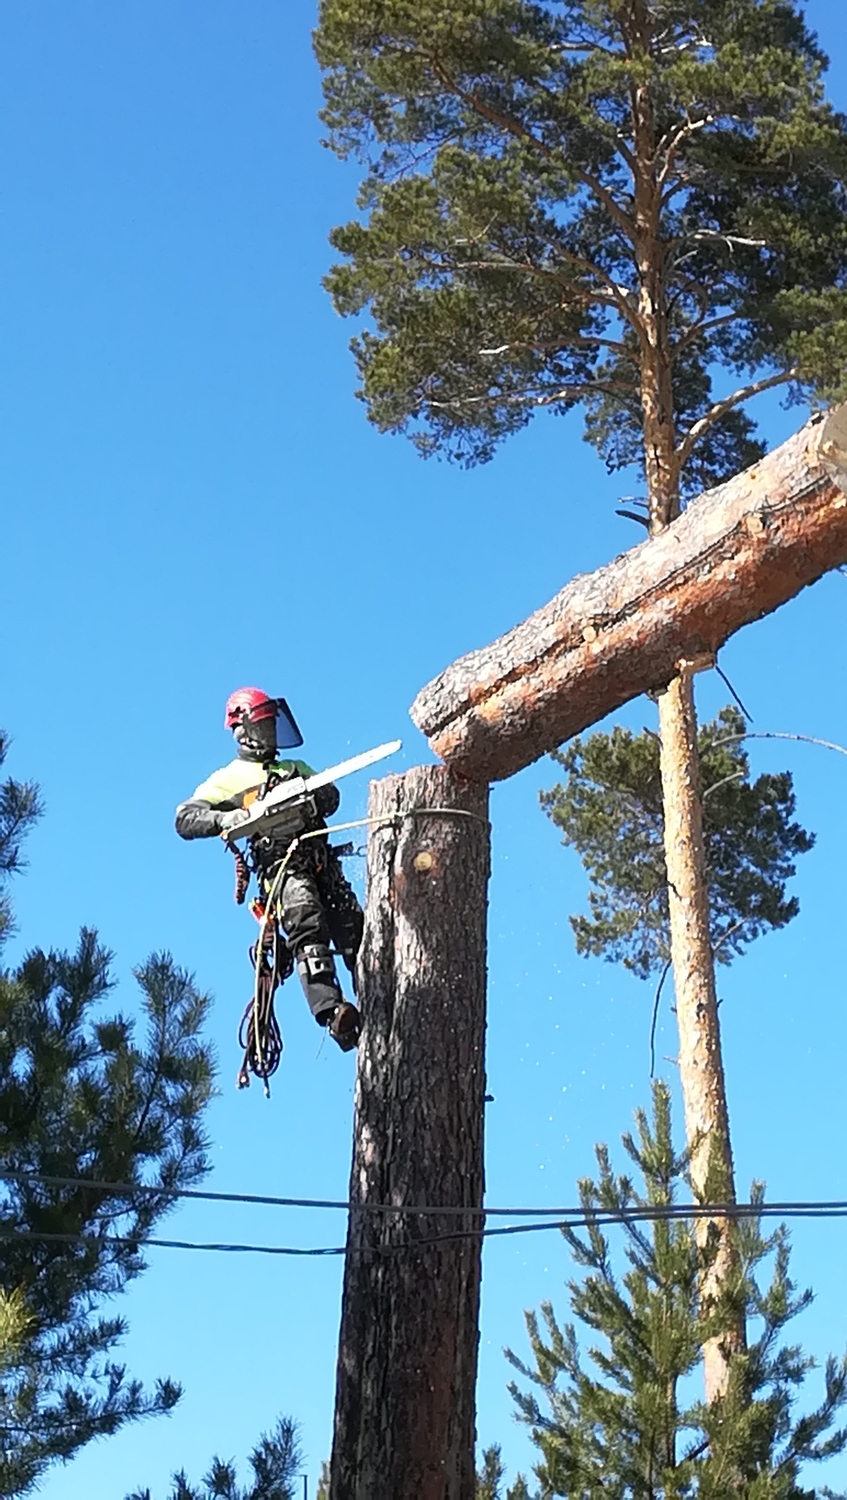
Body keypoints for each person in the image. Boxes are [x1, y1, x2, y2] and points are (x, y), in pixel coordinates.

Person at [175, 687, 363, 1051]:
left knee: (353, 924)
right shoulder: (229, 778)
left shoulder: (296, 768)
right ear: (245, 728)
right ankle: (333, 1011)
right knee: (306, 922)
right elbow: (185, 818)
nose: (272, 732)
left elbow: (332, 796)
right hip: (281, 867)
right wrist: (231, 816)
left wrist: (313, 797)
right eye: (265, 724)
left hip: (320, 858)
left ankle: (377, 989)